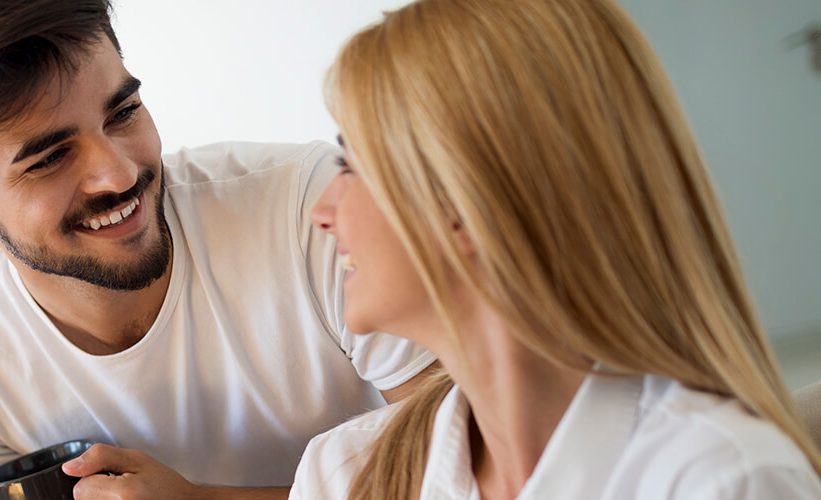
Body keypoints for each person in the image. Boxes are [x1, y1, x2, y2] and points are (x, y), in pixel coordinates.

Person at [0, 1, 437, 498]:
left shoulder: (314, 209)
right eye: (50, 158)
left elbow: (472, 474)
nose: (118, 171)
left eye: (123, 112)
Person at [290, 0, 821, 498]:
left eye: (351, 168)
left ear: (466, 202)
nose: (323, 213)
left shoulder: (723, 477)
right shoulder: (340, 473)